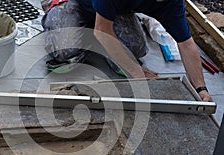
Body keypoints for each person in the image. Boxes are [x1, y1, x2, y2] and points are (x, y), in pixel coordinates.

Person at [41, 0, 213, 102]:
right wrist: (135, 71)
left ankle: (101, 34)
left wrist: (201, 89)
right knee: (63, 51)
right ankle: (66, 16)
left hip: (115, 9)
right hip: (75, 3)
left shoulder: (170, 3)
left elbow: (186, 44)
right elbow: (102, 30)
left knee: (135, 49)